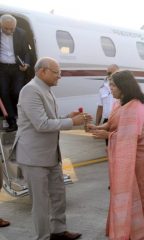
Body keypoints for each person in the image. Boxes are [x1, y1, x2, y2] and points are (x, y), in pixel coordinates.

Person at [14, 57, 90, 240]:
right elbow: (41, 124)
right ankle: (43, 237)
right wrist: (72, 122)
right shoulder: (30, 90)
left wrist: (66, 116)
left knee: (58, 195)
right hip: (34, 156)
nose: (60, 76)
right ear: (42, 72)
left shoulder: (45, 89)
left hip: (50, 155)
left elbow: (49, 119)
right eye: (56, 73)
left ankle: (58, 231)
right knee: (40, 203)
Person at [88, 70, 144, 240]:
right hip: (131, 151)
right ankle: (131, 228)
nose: (110, 89)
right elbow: (113, 124)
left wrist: (108, 136)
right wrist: (98, 127)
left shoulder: (135, 106)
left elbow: (129, 136)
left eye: (113, 85)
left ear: (123, 86)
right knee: (130, 191)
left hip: (142, 155)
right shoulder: (119, 103)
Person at [0, 14, 30, 132]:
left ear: (15, 26)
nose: (8, 31)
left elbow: (27, 52)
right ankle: (12, 121)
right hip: (2, 68)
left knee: (18, 92)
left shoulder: (21, 33)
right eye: (5, 28)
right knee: (4, 92)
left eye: (11, 29)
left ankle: (22, 118)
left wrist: (26, 64)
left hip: (17, 68)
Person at [95, 64, 119, 145]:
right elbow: (100, 107)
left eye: (112, 73)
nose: (110, 75)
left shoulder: (123, 87)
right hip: (107, 121)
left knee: (120, 144)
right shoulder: (102, 89)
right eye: (108, 73)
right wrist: (97, 125)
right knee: (109, 146)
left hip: (119, 120)